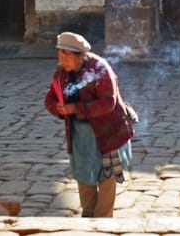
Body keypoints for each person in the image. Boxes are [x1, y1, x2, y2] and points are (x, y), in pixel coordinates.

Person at [43, 31, 135, 217]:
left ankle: (102, 221)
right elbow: (50, 99)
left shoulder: (100, 69)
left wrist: (75, 108)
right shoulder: (61, 73)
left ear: (80, 56)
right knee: (84, 176)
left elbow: (108, 103)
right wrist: (58, 108)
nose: (63, 59)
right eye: (60, 54)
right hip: (81, 135)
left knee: (106, 177)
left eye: (67, 55)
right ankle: (88, 217)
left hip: (108, 131)